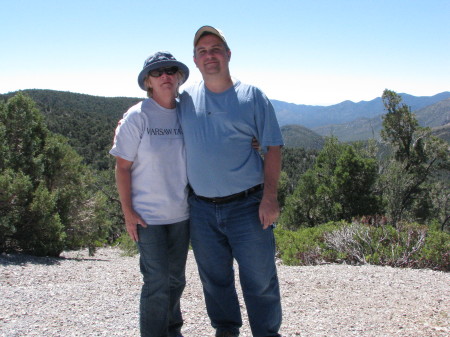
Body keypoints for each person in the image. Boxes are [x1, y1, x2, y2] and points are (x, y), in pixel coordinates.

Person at [178, 26, 284, 337]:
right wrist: (129, 119)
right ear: (195, 61)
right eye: (202, 51)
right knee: (214, 278)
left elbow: (273, 146)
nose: (209, 55)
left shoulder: (252, 96)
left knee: (260, 277)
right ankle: (226, 330)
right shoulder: (185, 99)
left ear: (228, 55)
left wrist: (270, 197)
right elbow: (155, 112)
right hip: (200, 208)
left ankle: (267, 333)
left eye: (215, 49)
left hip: (248, 205)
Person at [110, 51, 190, 337]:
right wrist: (128, 213)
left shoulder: (186, 112)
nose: (165, 76)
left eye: (170, 70)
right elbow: (122, 167)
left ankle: (173, 330)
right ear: (148, 82)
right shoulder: (137, 116)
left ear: (179, 76)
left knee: (176, 279)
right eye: (157, 72)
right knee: (156, 282)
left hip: (181, 213)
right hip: (147, 217)